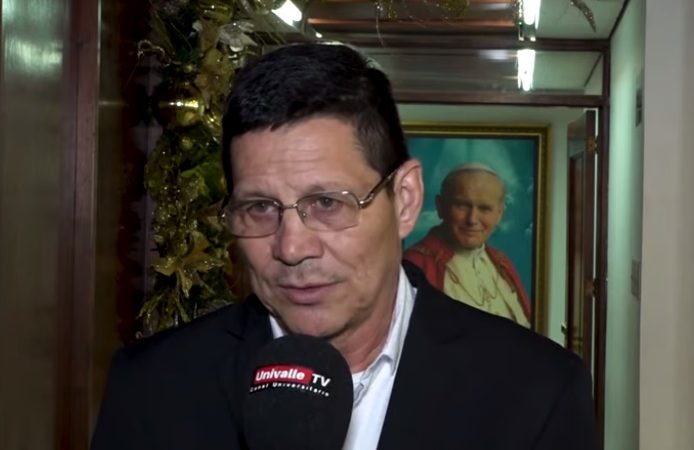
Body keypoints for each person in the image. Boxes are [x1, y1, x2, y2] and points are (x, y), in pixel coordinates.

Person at [91, 43, 598, 450]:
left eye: (328, 203)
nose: (292, 248)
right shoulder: (153, 387)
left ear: (405, 200)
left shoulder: (536, 391)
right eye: (260, 208)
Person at [404, 164, 532, 327]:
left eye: (484, 209)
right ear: (440, 206)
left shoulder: (501, 263)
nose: (472, 219)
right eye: (462, 205)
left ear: (499, 214)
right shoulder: (414, 266)